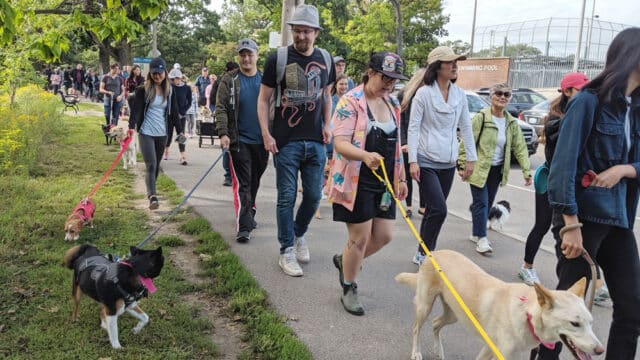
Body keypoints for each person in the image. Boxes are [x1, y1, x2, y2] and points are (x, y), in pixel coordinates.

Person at [538, 27, 640, 360]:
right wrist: (570, 224)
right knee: (562, 312)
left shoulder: (635, 109)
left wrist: (625, 169)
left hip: (619, 219)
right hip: (582, 218)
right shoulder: (587, 101)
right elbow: (562, 167)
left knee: (632, 307)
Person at [257, 4, 335, 277]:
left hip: (315, 141)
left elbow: (326, 96)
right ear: (292, 31)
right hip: (285, 141)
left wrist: (328, 124)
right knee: (286, 198)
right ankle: (286, 250)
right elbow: (263, 99)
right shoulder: (277, 59)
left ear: (316, 32)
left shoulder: (326, 59)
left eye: (306, 31)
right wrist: (266, 134)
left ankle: (299, 233)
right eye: (297, 31)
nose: (301, 36)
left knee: (314, 197)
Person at [329, 51, 408, 315]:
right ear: (370, 72)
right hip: (356, 180)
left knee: (384, 236)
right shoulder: (350, 102)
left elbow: (397, 144)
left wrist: (402, 177)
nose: (389, 84)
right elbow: (339, 143)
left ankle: (346, 260)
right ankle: (349, 286)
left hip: (384, 181)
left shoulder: (393, 104)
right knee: (360, 238)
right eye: (385, 77)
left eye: (394, 79)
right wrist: (364, 156)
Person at [407, 46, 476, 265]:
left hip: (448, 162)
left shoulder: (459, 94)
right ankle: (427, 253)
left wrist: (470, 159)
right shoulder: (423, 93)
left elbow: (466, 127)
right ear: (437, 67)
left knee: (432, 211)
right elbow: (413, 128)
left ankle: (422, 251)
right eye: (450, 62)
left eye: (457, 62)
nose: (455, 66)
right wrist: (413, 161)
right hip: (426, 161)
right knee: (439, 209)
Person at [518, 72, 589, 286]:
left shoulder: (579, 116)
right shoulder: (558, 122)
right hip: (552, 181)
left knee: (580, 231)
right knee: (544, 225)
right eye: (580, 90)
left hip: (571, 185)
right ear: (567, 91)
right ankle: (527, 267)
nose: (586, 96)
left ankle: (591, 280)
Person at [458, 83, 532, 254]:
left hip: (497, 170)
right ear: (491, 97)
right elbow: (467, 141)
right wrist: (462, 164)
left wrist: (526, 171)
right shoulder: (481, 118)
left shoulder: (511, 122)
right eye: (498, 93)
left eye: (506, 94)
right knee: (482, 203)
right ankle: (482, 240)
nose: (502, 97)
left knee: (487, 202)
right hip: (478, 167)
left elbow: (520, 147)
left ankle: (477, 233)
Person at [216, 38, 269, 243]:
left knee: (254, 181)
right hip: (239, 141)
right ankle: (244, 227)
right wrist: (223, 133)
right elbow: (220, 108)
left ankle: (249, 210)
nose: (246, 58)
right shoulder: (229, 80)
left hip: (261, 141)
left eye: (250, 54)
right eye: (242, 55)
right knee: (243, 184)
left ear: (256, 55)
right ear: (238, 57)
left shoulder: (266, 80)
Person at [129, 57, 183, 210]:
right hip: (146, 132)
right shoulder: (142, 90)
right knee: (151, 165)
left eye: (159, 73)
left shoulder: (170, 90)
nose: (157, 76)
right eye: (154, 74)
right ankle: (152, 196)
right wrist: (130, 127)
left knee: (156, 166)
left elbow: (174, 113)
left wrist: (180, 132)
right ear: (150, 74)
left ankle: (153, 191)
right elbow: (136, 110)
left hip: (162, 133)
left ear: (165, 73)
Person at [398, 68, 427, 219]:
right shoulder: (405, 95)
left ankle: (423, 206)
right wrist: (403, 142)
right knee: (408, 175)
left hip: (422, 142)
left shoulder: (429, 96)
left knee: (422, 175)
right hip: (407, 142)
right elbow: (401, 122)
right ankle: (408, 206)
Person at [165, 68, 192, 165]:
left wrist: (182, 112)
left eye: (174, 79)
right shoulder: (170, 87)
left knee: (181, 135)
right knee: (168, 134)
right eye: (171, 79)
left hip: (181, 115)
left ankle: (182, 156)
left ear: (179, 78)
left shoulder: (187, 88)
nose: (172, 81)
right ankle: (166, 150)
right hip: (170, 115)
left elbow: (189, 102)